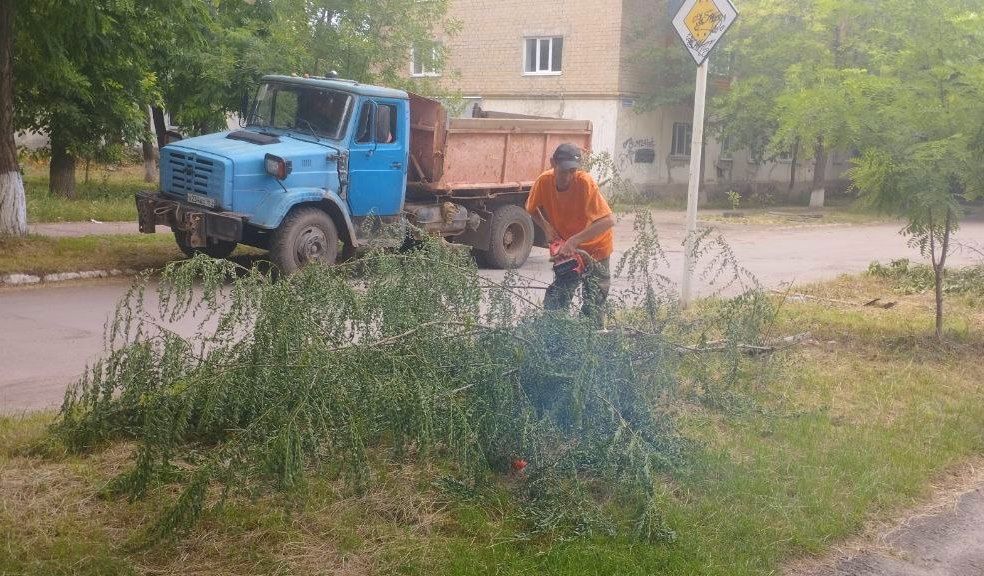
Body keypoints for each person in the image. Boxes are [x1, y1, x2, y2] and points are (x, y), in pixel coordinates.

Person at [526, 143, 616, 325]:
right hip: (569, 251)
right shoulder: (543, 182)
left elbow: (608, 221)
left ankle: (591, 337)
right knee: (558, 296)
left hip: (596, 248)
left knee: (594, 300)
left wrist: (575, 240)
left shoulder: (584, 183)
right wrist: (546, 227)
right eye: (564, 171)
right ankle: (555, 331)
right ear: (553, 164)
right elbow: (531, 208)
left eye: (572, 171)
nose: (568, 176)